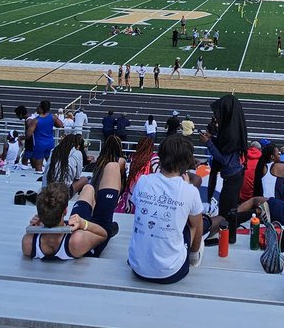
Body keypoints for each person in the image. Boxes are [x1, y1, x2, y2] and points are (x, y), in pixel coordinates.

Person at [127, 135, 209, 284]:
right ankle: (194, 257)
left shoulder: (144, 181)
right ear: (186, 163)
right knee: (195, 221)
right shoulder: (189, 191)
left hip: (137, 266)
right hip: (170, 272)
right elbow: (196, 225)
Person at [23, 161, 122, 261]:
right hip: (95, 229)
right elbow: (103, 234)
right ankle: (111, 202)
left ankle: (99, 201)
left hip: (72, 225)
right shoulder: (76, 241)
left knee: (88, 188)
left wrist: (35, 227)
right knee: (113, 167)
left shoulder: (28, 242)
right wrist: (84, 224)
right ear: (65, 211)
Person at [202, 94, 247, 226]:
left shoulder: (231, 133)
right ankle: (228, 238)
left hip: (232, 177)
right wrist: (212, 139)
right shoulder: (231, 128)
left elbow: (224, 159)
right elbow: (225, 148)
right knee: (228, 211)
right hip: (234, 176)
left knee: (225, 214)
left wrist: (208, 143)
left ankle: (228, 238)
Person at [29, 101, 62, 173]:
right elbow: (60, 124)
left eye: (37, 107)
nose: (36, 109)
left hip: (39, 144)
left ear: (41, 109)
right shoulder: (53, 117)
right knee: (51, 163)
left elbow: (29, 134)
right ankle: (53, 176)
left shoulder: (35, 120)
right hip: (50, 143)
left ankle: (40, 178)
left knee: (38, 166)